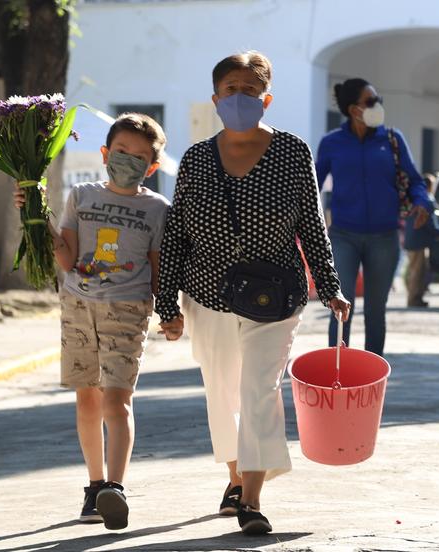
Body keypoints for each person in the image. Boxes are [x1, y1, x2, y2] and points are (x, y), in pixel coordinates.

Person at [156, 51, 350, 535]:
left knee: (259, 391)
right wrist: (167, 305)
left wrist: (330, 288)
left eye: (249, 90)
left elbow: (312, 224)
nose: (239, 98)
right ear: (216, 98)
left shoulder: (291, 152)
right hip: (208, 294)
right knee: (222, 395)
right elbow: (177, 232)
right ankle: (234, 477)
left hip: (275, 296)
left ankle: (252, 497)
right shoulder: (198, 159)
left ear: (265, 98)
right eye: (230, 90)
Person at [14, 113, 169, 530]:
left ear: (151, 167)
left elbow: (158, 268)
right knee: (87, 399)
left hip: (128, 310)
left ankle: (114, 488)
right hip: (78, 307)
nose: (128, 160)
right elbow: (66, 256)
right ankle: (94, 486)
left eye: (139, 157)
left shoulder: (158, 209)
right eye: (121, 151)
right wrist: (35, 211)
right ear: (105, 153)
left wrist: (169, 311)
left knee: (117, 400)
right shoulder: (81, 196)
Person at [315, 78, 431, 356]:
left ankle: (372, 373)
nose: (377, 106)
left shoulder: (392, 139)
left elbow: (414, 179)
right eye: (371, 101)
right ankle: (337, 368)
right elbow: (313, 183)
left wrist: (422, 200)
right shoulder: (332, 143)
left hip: (385, 236)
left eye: (378, 100)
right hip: (343, 235)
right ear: (354, 109)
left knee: (376, 309)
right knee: (340, 305)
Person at [404, 173, 439, 307]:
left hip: (410, 240)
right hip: (419, 242)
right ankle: (413, 299)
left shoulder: (413, 200)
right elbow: (430, 222)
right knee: (417, 272)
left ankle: (415, 297)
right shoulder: (426, 201)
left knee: (415, 270)